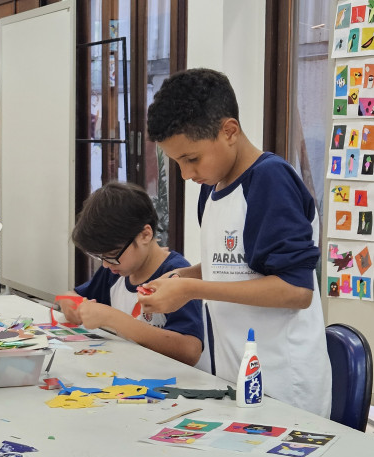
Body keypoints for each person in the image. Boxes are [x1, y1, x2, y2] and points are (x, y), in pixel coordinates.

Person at [141, 68, 331, 416]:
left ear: (229, 131)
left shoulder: (270, 180)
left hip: (283, 384)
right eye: (177, 163)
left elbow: (296, 290)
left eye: (191, 159)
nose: (186, 175)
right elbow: (233, 265)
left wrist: (192, 290)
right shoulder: (211, 188)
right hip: (232, 375)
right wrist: (182, 278)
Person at [56, 182, 204, 366]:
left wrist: (113, 318)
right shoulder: (115, 271)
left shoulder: (175, 275)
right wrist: (69, 302)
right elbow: (73, 296)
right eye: (100, 257)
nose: (106, 264)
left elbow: (190, 351)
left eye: (111, 255)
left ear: (145, 235)